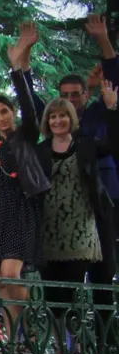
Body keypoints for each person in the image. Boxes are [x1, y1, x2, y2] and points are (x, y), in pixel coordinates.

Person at [0, 57, 49, 323]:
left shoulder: (25, 136)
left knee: (10, 274)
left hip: (19, 208)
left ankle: (32, 323)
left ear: (12, 111)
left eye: (4, 111)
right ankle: (14, 340)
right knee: (0, 282)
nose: (1, 118)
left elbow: (31, 112)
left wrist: (18, 72)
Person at [37, 92, 119, 301]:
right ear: (47, 121)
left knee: (74, 290)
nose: (58, 121)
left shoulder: (86, 145)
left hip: (80, 230)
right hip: (49, 230)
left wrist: (111, 110)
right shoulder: (40, 151)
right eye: (53, 116)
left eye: (63, 115)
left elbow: (113, 144)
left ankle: (77, 324)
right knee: (54, 296)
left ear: (71, 118)